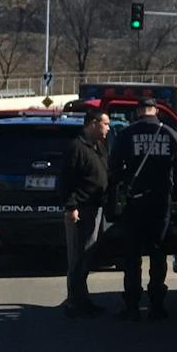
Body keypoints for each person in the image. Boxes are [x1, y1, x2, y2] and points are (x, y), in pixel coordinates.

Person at [111, 99, 177, 320]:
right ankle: (157, 306)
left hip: (135, 202)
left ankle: (131, 306)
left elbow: (114, 167)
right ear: (157, 111)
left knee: (132, 256)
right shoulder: (170, 133)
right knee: (158, 254)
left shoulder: (127, 134)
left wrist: (126, 182)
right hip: (160, 203)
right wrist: (175, 195)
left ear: (138, 111)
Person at [61, 108, 111, 319]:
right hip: (82, 209)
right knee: (78, 256)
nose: (108, 128)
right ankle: (74, 302)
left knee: (89, 253)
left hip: (97, 207)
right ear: (92, 123)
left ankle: (84, 299)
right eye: (105, 123)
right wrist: (71, 207)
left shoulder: (98, 147)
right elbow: (66, 181)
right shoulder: (77, 148)